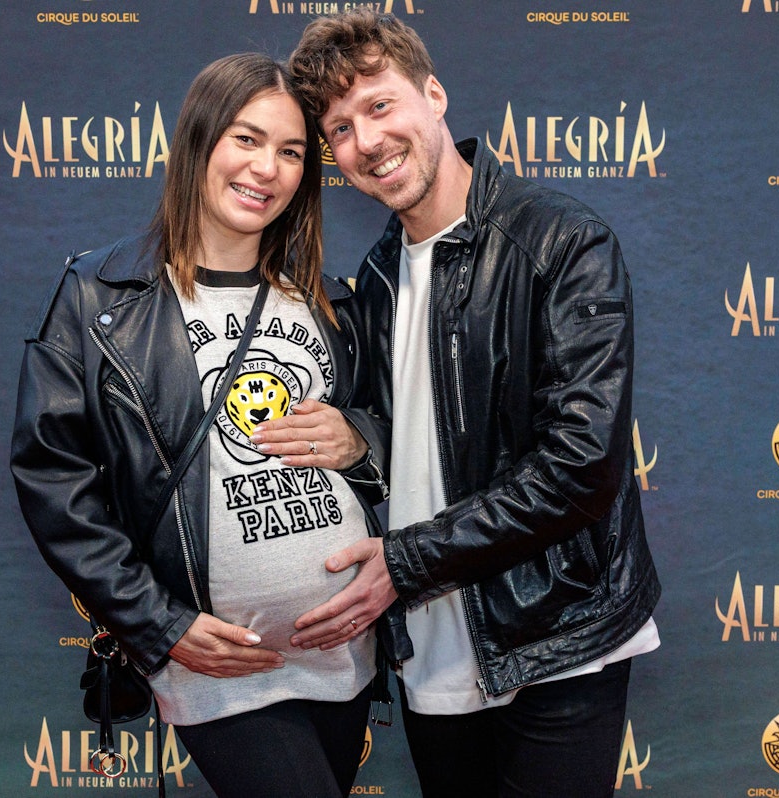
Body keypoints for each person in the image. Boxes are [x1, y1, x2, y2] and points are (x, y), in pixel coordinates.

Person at [254, 10, 662, 797]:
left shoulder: (561, 242)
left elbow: (582, 465)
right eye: (339, 129)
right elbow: (415, 430)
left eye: (379, 105)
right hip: (433, 659)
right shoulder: (371, 283)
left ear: (434, 95)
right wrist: (357, 438)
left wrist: (403, 564)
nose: (366, 141)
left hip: (559, 641)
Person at [10, 52, 390, 798]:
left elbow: (394, 434)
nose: (268, 168)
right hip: (218, 665)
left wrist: (360, 442)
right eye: (246, 139)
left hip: (344, 652)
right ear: (199, 142)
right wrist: (158, 624)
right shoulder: (103, 297)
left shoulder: (326, 302)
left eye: (290, 152)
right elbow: (54, 478)